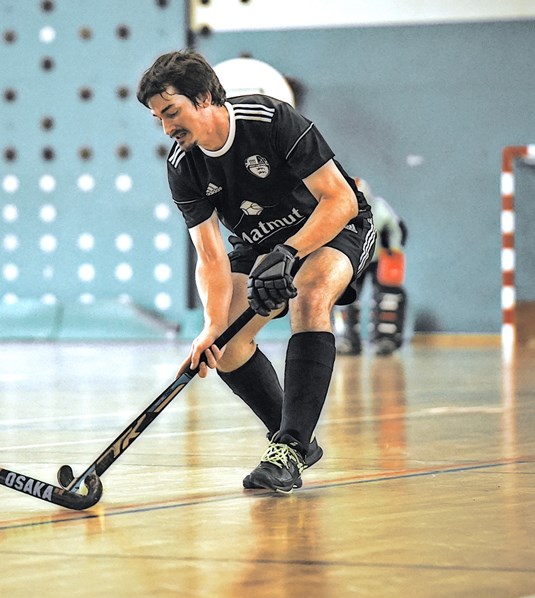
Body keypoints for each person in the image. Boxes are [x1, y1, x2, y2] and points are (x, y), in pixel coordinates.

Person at [137, 50, 376, 492]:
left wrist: (289, 250)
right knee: (225, 345)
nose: (168, 128)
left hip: (334, 227)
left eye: (172, 113)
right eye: (159, 119)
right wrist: (210, 325)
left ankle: (288, 447)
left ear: (205, 97)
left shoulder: (270, 120)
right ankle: (294, 442)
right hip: (261, 244)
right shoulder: (183, 166)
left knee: (311, 293)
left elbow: (339, 200)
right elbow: (210, 257)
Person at [334, 178, 408, 356]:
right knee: (345, 297)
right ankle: (347, 338)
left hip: (378, 260)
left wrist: (394, 250)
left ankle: (386, 338)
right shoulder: (339, 208)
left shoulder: (380, 208)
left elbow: (395, 229)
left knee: (387, 298)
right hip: (353, 259)